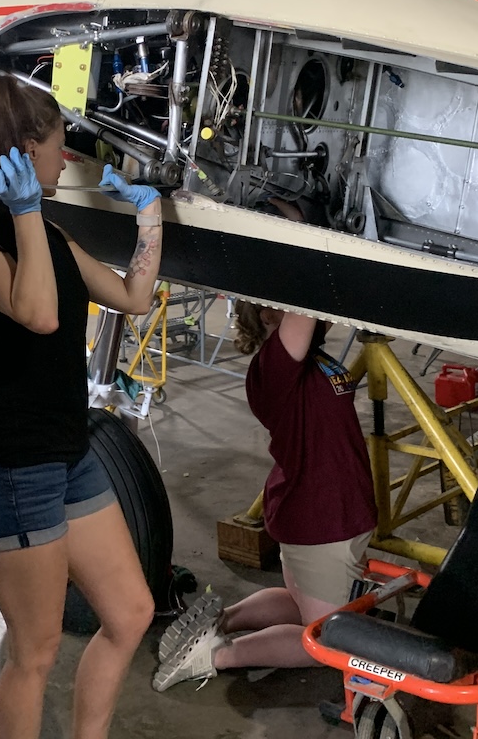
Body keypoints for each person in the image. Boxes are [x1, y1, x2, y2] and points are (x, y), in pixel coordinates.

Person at [0, 73, 164, 739]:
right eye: (56, 143)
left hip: (67, 454)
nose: (63, 158)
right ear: (21, 148)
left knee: (129, 613)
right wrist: (26, 214)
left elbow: (132, 297)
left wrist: (148, 216)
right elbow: (37, 313)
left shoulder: (53, 235)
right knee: (35, 652)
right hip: (9, 467)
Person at [153, 203, 377, 691]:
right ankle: (218, 656)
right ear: (268, 311)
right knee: (326, 639)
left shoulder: (311, 360)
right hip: (322, 518)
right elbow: (303, 306)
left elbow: (318, 311)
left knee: (302, 604)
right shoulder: (274, 369)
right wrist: (297, 231)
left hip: (328, 510)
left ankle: (225, 619)